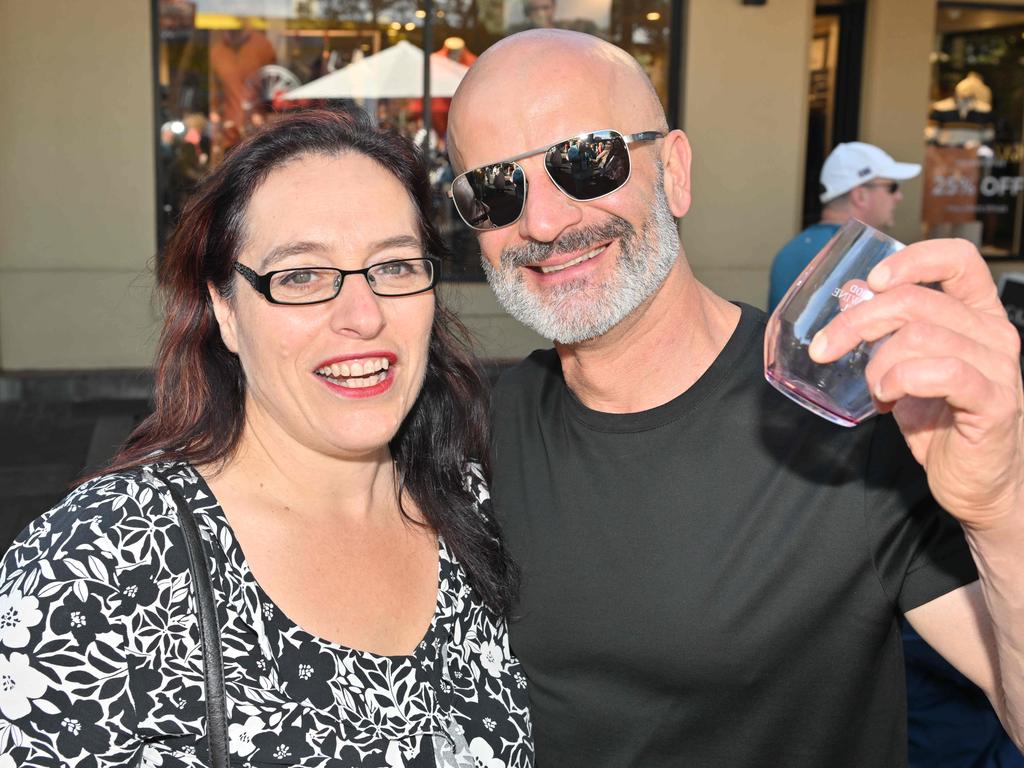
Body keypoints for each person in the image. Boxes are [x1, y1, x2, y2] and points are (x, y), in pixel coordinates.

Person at [444, 29, 1024, 767]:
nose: (545, 222)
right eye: (495, 189)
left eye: (586, 160)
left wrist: (1004, 502)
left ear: (675, 171)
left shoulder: (851, 412)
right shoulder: (481, 433)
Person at [0, 109, 533, 767]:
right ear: (224, 307)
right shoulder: (95, 572)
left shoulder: (469, 502)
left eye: (393, 266)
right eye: (301, 276)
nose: (363, 316)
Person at [768, 141, 921, 311]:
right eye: (891, 187)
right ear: (860, 196)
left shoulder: (792, 250)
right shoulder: (867, 255)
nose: (898, 196)